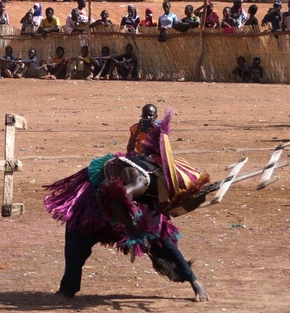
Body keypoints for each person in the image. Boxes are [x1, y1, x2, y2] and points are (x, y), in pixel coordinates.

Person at [46, 109, 210, 302]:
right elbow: (112, 196)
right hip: (95, 194)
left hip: (128, 197)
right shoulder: (141, 182)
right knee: (77, 236)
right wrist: (134, 230)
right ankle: (67, 288)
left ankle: (193, 280)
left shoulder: (157, 175)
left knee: (162, 237)